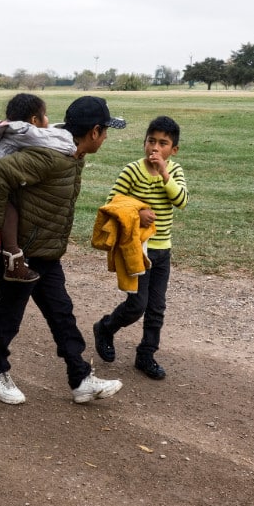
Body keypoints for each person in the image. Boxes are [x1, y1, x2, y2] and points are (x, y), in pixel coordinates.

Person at [0, 95, 126, 405]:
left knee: (62, 314)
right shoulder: (53, 156)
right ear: (95, 131)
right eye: (106, 130)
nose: (107, 137)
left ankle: (81, 379)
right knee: (9, 314)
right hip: (18, 254)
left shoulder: (70, 152)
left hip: (45, 251)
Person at [93, 115, 188, 380]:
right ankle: (105, 328)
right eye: (151, 141)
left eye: (163, 143)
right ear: (144, 143)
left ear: (174, 150)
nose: (155, 148)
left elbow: (181, 201)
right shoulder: (132, 171)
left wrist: (165, 174)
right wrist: (139, 212)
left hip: (163, 251)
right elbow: (112, 203)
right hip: (138, 249)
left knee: (156, 307)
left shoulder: (175, 171)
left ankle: (146, 354)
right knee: (137, 305)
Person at [0, 93, 77, 282]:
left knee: (4, 215)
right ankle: (14, 261)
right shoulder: (26, 132)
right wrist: (71, 147)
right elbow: (51, 140)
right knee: (8, 215)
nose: (48, 120)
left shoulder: (12, 129)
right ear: (34, 120)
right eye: (46, 115)